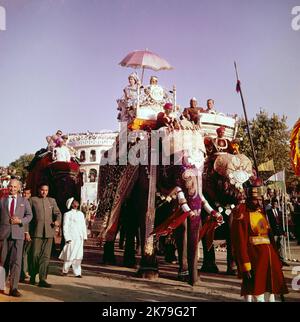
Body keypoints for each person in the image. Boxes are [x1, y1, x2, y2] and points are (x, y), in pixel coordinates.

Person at [231, 185, 288, 302]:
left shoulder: (262, 213)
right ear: (248, 199)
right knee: (256, 288)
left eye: (260, 199)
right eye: (255, 199)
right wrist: (245, 264)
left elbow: (270, 237)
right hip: (254, 258)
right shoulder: (243, 215)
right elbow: (240, 242)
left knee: (271, 288)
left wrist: (277, 257)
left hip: (269, 258)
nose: (258, 202)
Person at [0, 179, 32, 297]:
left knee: (16, 262)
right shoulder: (2, 201)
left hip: (18, 235)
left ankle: (14, 288)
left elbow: (29, 215)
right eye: (10, 186)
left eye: (14, 187)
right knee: (2, 261)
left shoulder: (24, 201)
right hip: (3, 235)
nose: (12, 189)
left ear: (19, 188)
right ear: (8, 187)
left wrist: (20, 221)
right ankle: (1, 286)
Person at [29, 184, 61, 288]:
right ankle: (33, 275)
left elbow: (58, 213)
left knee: (46, 257)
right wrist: (26, 232)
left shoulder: (52, 201)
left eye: (46, 190)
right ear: (39, 190)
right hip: (36, 232)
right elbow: (28, 215)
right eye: (42, 190)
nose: (44, 192)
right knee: (34, 255)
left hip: (49, 233)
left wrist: (57, 221)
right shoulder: (33, 200)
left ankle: (42, 279)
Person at [59, 198, 87, 277]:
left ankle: (77, 273)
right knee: (70, 254)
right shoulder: (67, 214)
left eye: (77, 201)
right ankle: (65, 270)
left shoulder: (81, 214)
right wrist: (67, 238)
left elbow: (83, 226)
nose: (77, 202)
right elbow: (65, 226)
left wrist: (84, 236)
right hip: (71, 237)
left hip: (79, 237)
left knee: (78, 255)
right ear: (71, 204)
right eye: (74, 202)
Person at [266, 198, 289, 266]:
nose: (274, 205)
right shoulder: (268, 212)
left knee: (281, 246)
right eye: (273, 204)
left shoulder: (279, 211)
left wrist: (283, 232)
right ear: (271, 204)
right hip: (273, 232)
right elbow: (268, 222)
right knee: (274, 246)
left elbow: (281, 222)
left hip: (280, 232)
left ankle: (282, 260)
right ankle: (275, 260)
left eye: (276, 204)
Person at [20, 188, 33, 282]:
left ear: (30, 194)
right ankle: (23, 273)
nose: (25, 195)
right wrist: (26, 232)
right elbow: (25, 221)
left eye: (27, 193)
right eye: (24, 193)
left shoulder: (32, 203)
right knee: (24, 253)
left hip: (34, 232)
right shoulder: (21, 203)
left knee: (29, 254)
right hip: (25, 232)